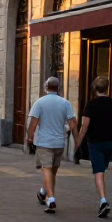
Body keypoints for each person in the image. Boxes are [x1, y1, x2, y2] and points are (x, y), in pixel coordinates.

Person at [75, 76, 112, 218]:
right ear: (108, 88)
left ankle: (103, 201)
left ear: (94, 88)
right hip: (110, 142)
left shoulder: (91, 105)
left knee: (98, 172)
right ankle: (102, 199)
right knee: (102, 169)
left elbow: (84, 126)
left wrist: (78, 142)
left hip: (95, 143)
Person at [26, 77, 77, 214]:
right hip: (59, 142)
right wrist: (76, 140)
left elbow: (33, 123)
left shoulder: (40, 102)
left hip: (44, 142)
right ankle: (43, 192)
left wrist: (30, 138)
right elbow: (73, 123)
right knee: (52, 171)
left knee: (47, 170)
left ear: (45, 87)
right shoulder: (65, 103)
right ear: (58, 88)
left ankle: (51, 199)